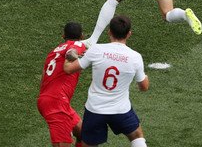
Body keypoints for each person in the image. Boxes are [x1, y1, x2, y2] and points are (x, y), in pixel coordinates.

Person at [64, 15, 150, 147]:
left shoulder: (96, 50)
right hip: (121, 110)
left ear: (109, 31)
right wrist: (145, 77)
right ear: (129, 34)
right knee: (137, 136)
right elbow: (144, 87)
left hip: (95, 110)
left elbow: (69, 69)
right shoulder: (135, 57)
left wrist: (68, 57)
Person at [38, 22, 88, 147]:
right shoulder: (77, 45)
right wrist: (75, 54)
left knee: (85, 135)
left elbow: (43, 78)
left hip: (50, 99)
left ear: (63, 35)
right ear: (82, 36)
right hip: (57, 102)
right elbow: (71, 52)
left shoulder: (53, 52)